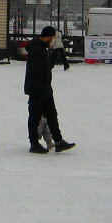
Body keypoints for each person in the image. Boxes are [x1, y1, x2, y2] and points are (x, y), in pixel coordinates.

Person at [24, 25, 75, 154]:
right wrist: (41, 89)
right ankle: (34, 144)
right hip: (38, 91)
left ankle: (58, 141)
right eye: (51, 38)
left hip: (45, 89)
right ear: (46, 36)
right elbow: (36, 73)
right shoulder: (37, 50)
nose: (52, 41)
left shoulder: (41, 49)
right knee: (35, 117)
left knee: (52, 115)